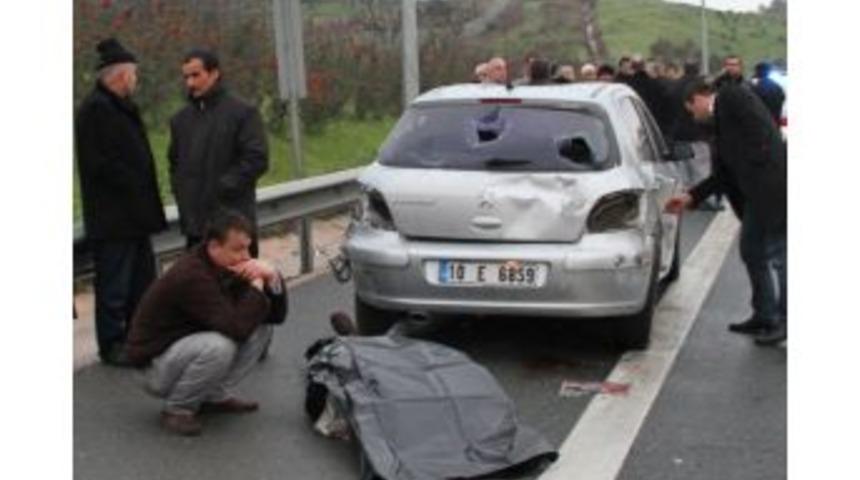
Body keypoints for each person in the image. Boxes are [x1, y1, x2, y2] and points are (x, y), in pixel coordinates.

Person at [126, 211, 288, 435]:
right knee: (219, 345)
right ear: (213, 247)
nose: (246, 256)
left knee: (261, 326)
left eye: (248, 248)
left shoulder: (226, 265)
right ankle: (178, 409)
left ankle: (212, 396)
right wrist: (257, 285)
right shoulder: (192, 275)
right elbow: (237, 329)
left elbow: (274, 317)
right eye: (238, 249)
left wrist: (273, 278)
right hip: (152, 366)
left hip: (180, 349)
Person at [666, 80, 787, 346]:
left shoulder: (730, 97)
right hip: (757, 194)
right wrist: (691, 197)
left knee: (779, 255)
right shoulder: (719, 125)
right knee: (752, 250)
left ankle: (784, 320)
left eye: (691, 110)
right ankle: (765, 315)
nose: (693, 117)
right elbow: (723, 174)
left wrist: (758, 162)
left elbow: (759, 134)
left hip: (772, 189)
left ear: (697, 98)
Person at [75, 38, 167, 366]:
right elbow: (99, 164)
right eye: (134, 74)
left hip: (135, 216)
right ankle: (112, 345)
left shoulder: (122, 107)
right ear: (120, 75)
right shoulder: (95, 110)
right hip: (113, 218)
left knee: (141, 282)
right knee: (114, 286)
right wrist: (134, 182)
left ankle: (137, 339)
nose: (136, 80)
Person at [168, 49, 269, 258]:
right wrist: (183, 196)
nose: (190, 83)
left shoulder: (242, 112)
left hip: (233, 227)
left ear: (214, 73)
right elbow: (175, 165)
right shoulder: (180, 120)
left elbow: (257, 159)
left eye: (196, 75)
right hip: (195, 230)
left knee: (239, 288)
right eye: (186, 76)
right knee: (199, 289)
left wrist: (221, 188)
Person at [627, 55, 673, 135]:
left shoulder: (628, 86)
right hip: (654, 125)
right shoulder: (655, 84)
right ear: (644, 67)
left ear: (632, 68)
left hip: (633, 126)